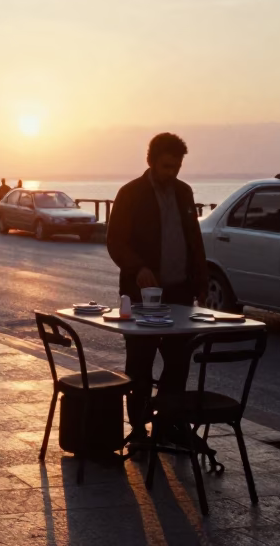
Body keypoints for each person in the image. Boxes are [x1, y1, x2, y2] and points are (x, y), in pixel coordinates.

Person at [106, 132, 209, 437]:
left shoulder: (184, 192)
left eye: (176, 167)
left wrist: (201, 280)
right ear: (150, 162)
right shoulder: (130, 193)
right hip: (142, 295)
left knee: (178, 362)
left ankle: (168, 424)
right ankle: (138, 427)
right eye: (166, 167)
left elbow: (194, 239)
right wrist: (138, 267)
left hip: (180, 291)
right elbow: (115, 241)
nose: (171, 173)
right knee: (140, 361)